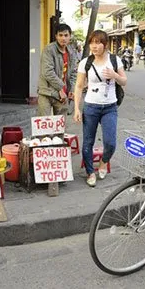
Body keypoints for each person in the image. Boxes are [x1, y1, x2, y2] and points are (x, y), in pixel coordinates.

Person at [73, 30, 127, 187]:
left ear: (105, 44)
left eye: (98, 42)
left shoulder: (115, 60)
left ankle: (103, 163)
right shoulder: (85, 63)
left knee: (110, 142)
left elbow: (124, 81)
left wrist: (114, 75)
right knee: (87, 142)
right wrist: (77, 108)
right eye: (92, 42)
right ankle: (90, 172)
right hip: (90, 107)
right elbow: (78, 86)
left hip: (110, 107)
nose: (94, 46)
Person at [37, 23, 78, 116]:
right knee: (44, 125)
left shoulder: (71, 52)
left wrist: (71, 89)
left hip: (63, 94)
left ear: (70, 36)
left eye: (66, 35)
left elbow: (74, 72)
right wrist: (60, 88)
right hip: (47, 92)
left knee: (60, 126)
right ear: (56, 36)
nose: (63, 38)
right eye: (60, 35)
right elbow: (47, 72)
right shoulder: (49, 49)